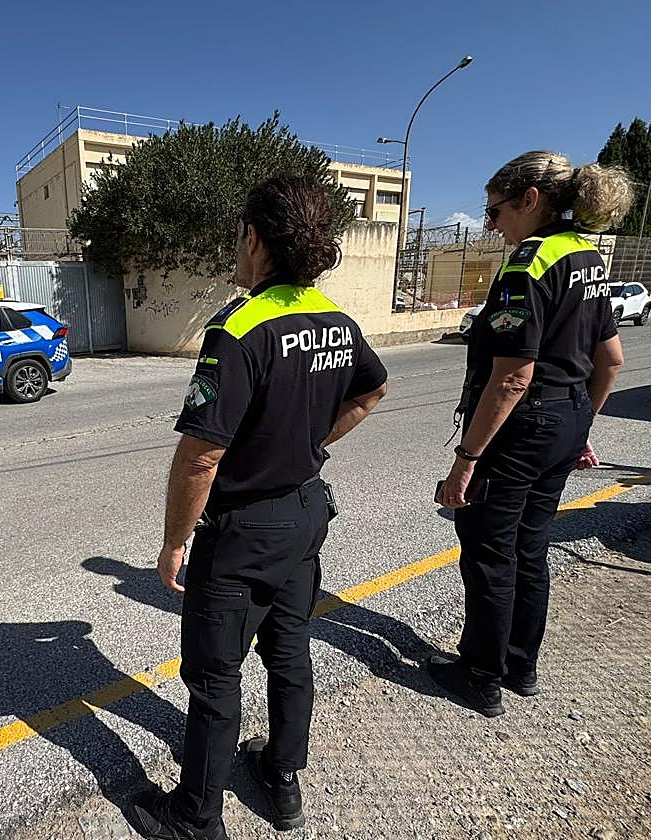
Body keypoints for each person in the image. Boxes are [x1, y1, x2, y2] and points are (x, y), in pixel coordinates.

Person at [129, 175, 388, 839]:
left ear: (254, 239)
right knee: (289, 652)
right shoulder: (336, 320)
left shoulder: (239, 326)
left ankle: (196, 816)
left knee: (214, 677)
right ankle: (281, 776)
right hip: (304, 514)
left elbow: (200, 457)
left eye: (238, 236)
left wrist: (174, 542)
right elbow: (371, 392)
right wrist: (310, 442)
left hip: (243, 529)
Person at [431, 151, 632, 717]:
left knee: (490, 552)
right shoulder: (587, 257)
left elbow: (512, 377)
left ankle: (480, 676)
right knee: (531, 547)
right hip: (566, 419)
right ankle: (521, 666)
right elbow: (611, 361)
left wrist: (467, 459)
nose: (491, 224)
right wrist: (580, 425)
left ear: (530, 200)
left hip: (520, 428)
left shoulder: (528, 264)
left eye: (495, 211)